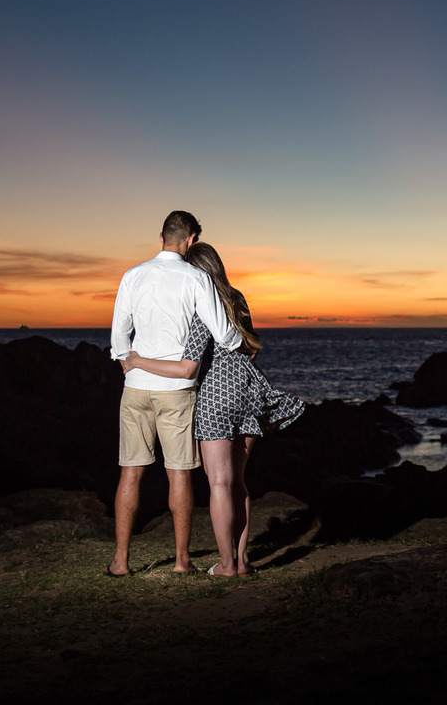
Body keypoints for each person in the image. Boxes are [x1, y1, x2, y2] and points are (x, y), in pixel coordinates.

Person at [122, 242, 304, 577]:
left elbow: (188, 367)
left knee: (219, 482)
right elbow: (250, 347)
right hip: (250, 388)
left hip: (215, 394)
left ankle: (226, 565)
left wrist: (136, 360)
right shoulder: (237, 297)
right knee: (238, 483)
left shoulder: (200, 304)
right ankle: (243, 561)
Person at [106, 212, 242, 577]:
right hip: (177, 391)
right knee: (179, 475)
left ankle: (120, 561)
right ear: (192, 239)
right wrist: (239, 341)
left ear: (162, 236)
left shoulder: (132, 275)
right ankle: (182, 562)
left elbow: (119, 334)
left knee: (130, 474)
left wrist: (127, 363)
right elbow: (224, 334)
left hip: (135, 387)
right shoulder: (196, 278)